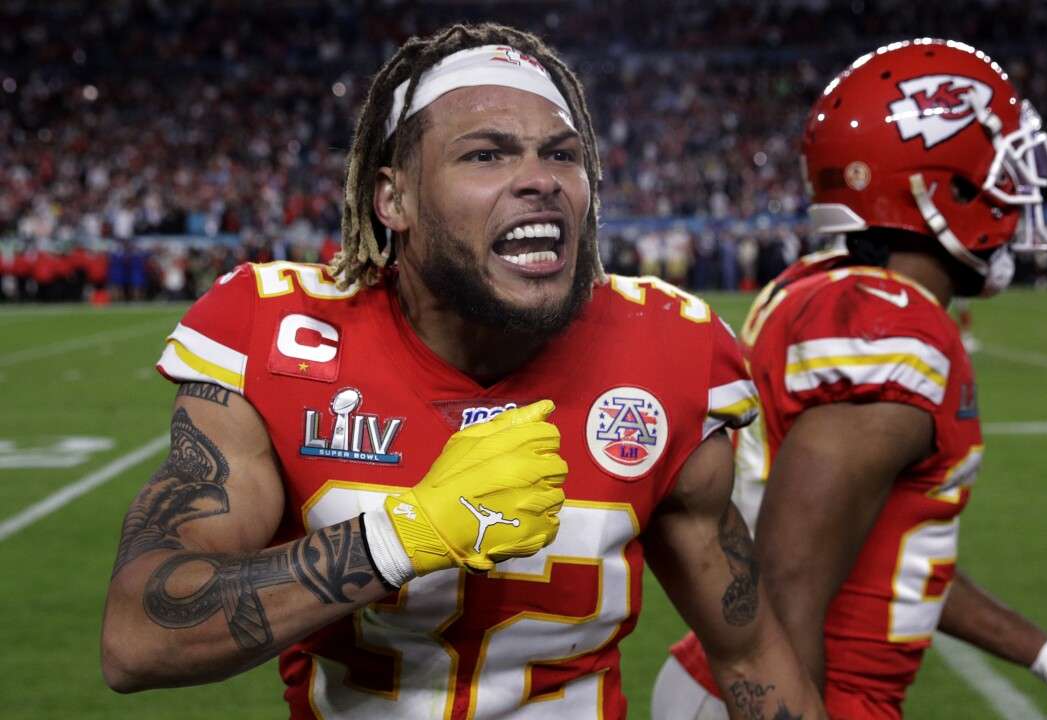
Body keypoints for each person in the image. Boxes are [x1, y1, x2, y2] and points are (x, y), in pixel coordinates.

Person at [100, 23, 825, 720]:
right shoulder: (283, 334)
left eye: (562, 155)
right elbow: (139, 638)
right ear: (395, 199)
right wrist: (404, 537)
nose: (539, 180)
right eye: (487, 155)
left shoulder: (668, 352)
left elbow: (749, 653)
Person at [654, 39, 1047, 720]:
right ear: (942, 185)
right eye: (1000, 171)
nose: (1016, 193)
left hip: (738, 679)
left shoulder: (821, 288)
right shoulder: (888, 328)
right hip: (797, 694)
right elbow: (790, 583)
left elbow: (888, 562)